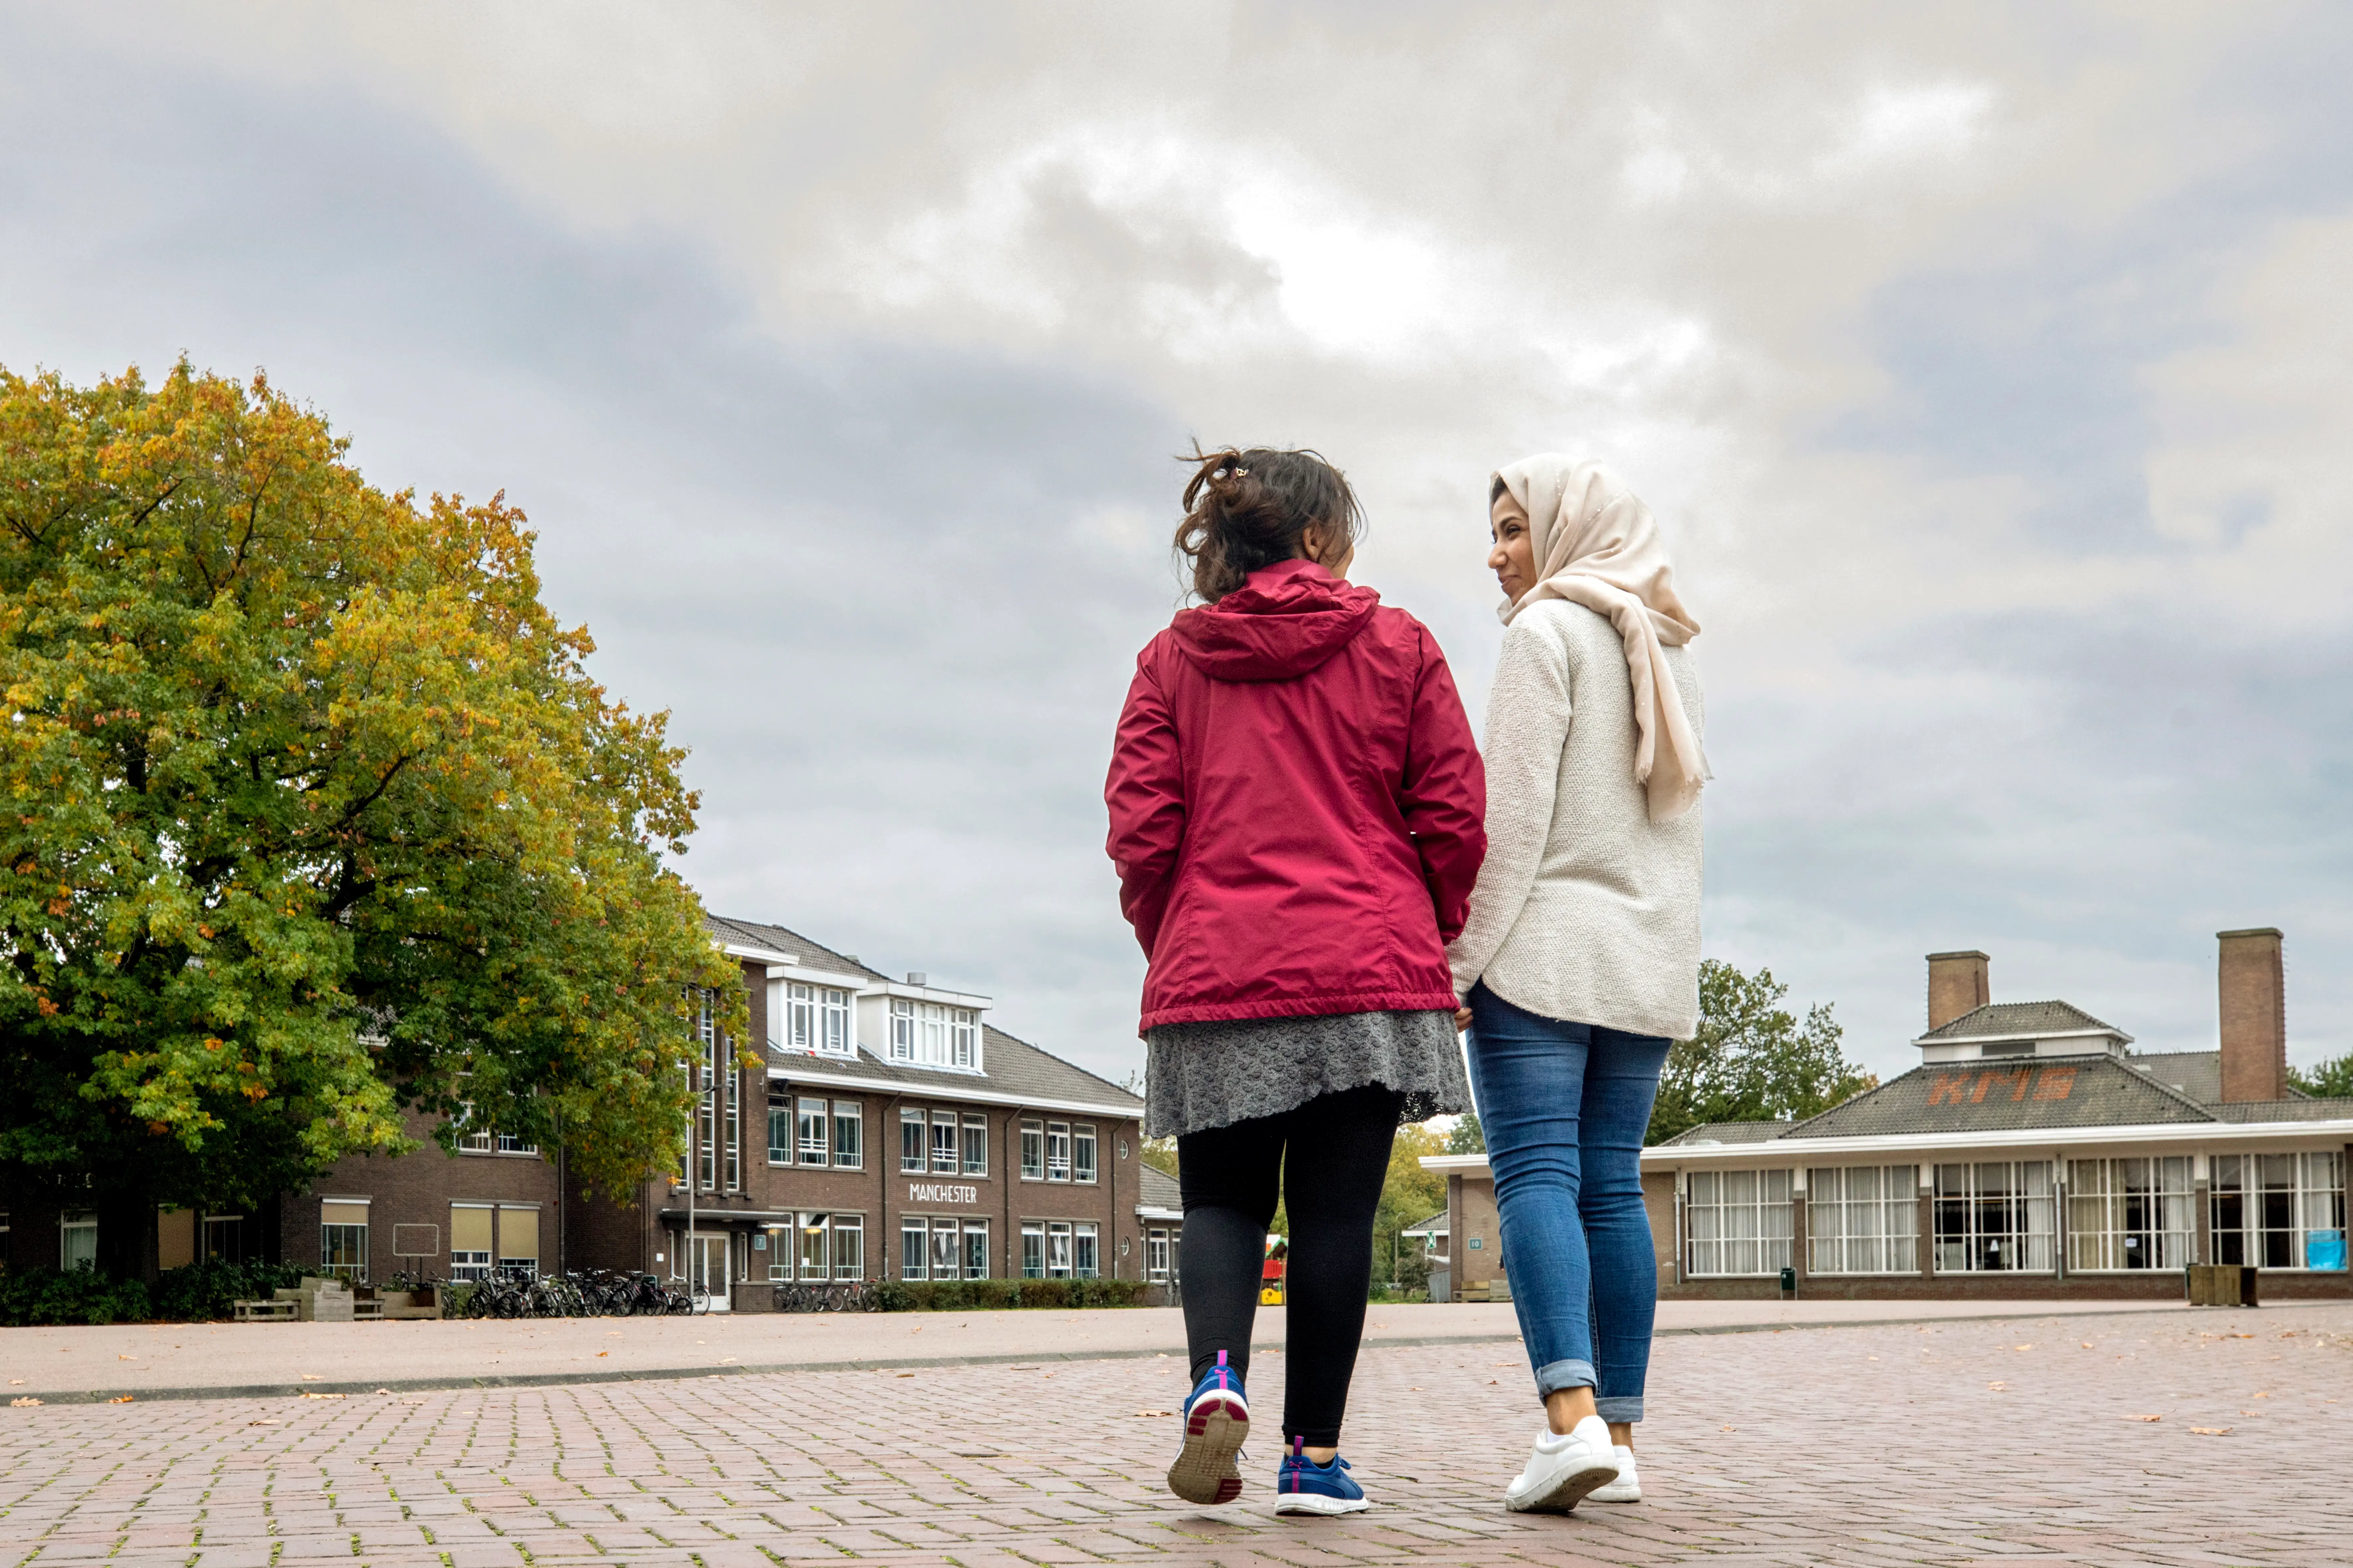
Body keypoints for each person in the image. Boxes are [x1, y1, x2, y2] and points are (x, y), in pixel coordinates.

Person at [1106, 446, 1485, 1515]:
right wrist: (1430, 932)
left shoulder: (1167, 664)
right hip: (1366, 972)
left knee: (1222, 1201)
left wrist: (1176, 940)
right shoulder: (1399, 645)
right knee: (1335, 1221)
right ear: (1318, 538)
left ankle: (1214, 1380)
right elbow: (1453, 815)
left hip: (1215, 969)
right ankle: (1311, 1460)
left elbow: (1140, 834)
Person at [1445, 456, 1706, 1514]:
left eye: (1513, 529)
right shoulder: (1671, 654)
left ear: (1564, 532)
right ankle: (1622, 1439)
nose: (1497, 552)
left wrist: (1453, 963)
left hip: (1542, 957)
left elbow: (1503, 828)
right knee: (1610, 1185)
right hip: (1644, 963)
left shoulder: (1542, 636)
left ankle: (1569, 1423)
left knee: (1536, 1178)